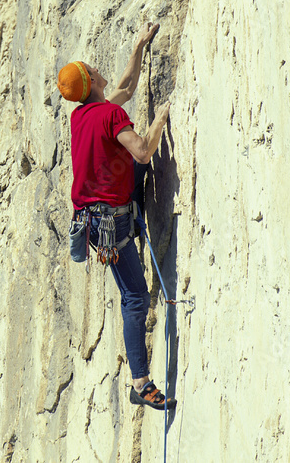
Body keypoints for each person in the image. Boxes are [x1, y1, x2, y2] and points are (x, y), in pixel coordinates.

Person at [57, 22, 175, 411]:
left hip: (92, 218)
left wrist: (140, 44)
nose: (95, 67)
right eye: (90, 67)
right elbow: (142, 151)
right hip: (112, 223)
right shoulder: (108, 116)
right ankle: (140, 383)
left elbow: (125, 87)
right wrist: (160, 120)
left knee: (132, 292)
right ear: (90, 79)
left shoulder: (83, 115)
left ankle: (135, 207)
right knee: (135, 297)